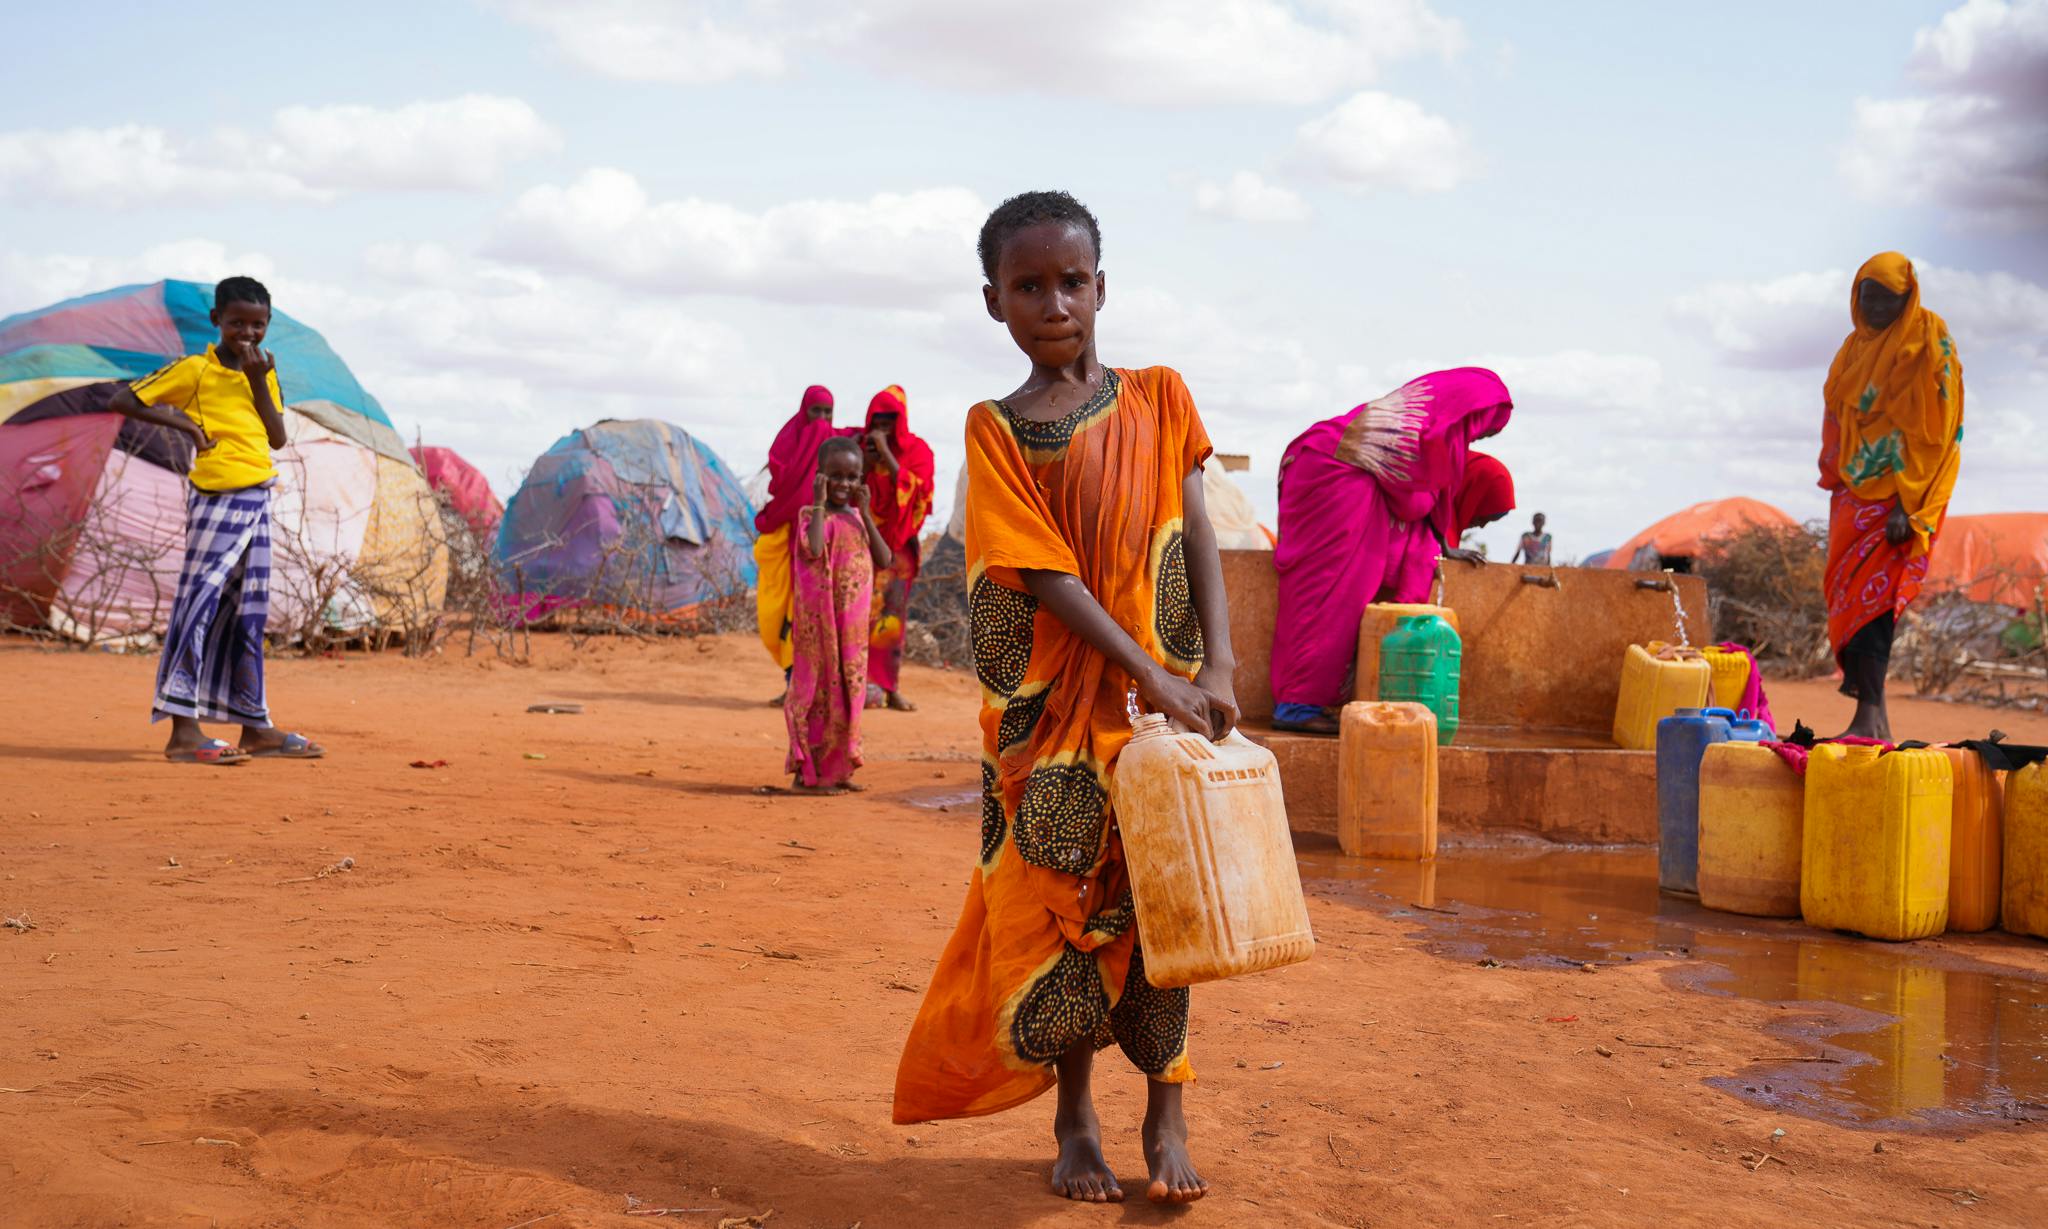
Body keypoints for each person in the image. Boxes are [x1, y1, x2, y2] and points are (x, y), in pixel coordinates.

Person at [893, 191, 1235, 1207]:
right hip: (1054, 716)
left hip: (1167, 698)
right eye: (1028, 285)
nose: (1054, 303)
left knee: (1168, 899)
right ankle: (1075, 1112)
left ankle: (1165, 1109)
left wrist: (1214, 665)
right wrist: (1153, 675)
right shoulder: (995, 428)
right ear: (993, 301)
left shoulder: (1160, 397)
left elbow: (1197, 532)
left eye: (1071, 282)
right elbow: (1043, 575)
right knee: (1067, 907)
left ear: (1102, 287)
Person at [103, 276, 325, 765]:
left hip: (257, 496)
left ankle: (255, 726)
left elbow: (277, 437)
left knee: (248, 612)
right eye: (237, 323)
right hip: (216, 497)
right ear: (217, 322)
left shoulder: (263, 369)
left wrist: (254, 379)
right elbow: (124, 400)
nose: (247, 333)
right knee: (198, 604)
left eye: (258, 324)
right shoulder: (195, 370)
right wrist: (183, 423)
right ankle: (183, 732)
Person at [1268, 372, 1515, 735]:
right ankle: (1297, 706)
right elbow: (1411, 502)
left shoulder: (1415, 424)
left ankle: (1303, 702)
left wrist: (1442, 541)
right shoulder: (1410, 434)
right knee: (1330, 595)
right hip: (1334, 478)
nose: (1482, 439)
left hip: (1321, 463)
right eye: (1485, 430)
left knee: (1331, 594)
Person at [1819, 251, 1963, 740]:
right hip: (1853, 496)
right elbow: (1837, 415)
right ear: (1855, 297)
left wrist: (1909, 501)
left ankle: (1866, 718)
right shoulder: (1853, 347)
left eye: (1888, 296)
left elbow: (1934, 431)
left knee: (1874, 604)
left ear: (1908, 296)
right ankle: (1875, 720)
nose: (1878, 305)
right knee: (1845, 597)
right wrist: (1837, 477)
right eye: (1868, 295)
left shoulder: (1927, 339)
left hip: (1898, 498)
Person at [784, 436, 891, 794]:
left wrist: (868, 514)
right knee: (816, 695)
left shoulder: (859, 519)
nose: (844, 484)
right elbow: (814, 547)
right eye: (835, 476)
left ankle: (838, 770)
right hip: (821, 626)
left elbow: (885, 558)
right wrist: (817, 503)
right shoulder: (811, 516)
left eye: (852, 476)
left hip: (853, 630)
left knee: (848, 693)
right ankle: (808, 774)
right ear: (820, 476)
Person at [752, 386, 838, 702]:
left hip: (821, 547)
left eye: (827, 413)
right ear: (804, 411)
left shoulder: (838, 447)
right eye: (815, 412)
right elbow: (782, 482)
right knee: (784, 616)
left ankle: (808, 690)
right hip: (785, 541)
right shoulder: (787, 443)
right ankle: (793, 685)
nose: (821, 421)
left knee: (812, 620)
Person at [858, 384, 934, 712]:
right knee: (857, 616)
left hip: (898, 551)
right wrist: (865, 458)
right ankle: (855, 686)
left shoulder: (917, 450)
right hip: (862, 545)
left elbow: (919, 492)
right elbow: (846, 488)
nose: (884, 424)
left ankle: (889, 687)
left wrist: (887, 457)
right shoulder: (858, 448)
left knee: (891, 620)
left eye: (891, 418)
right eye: (879, 418)